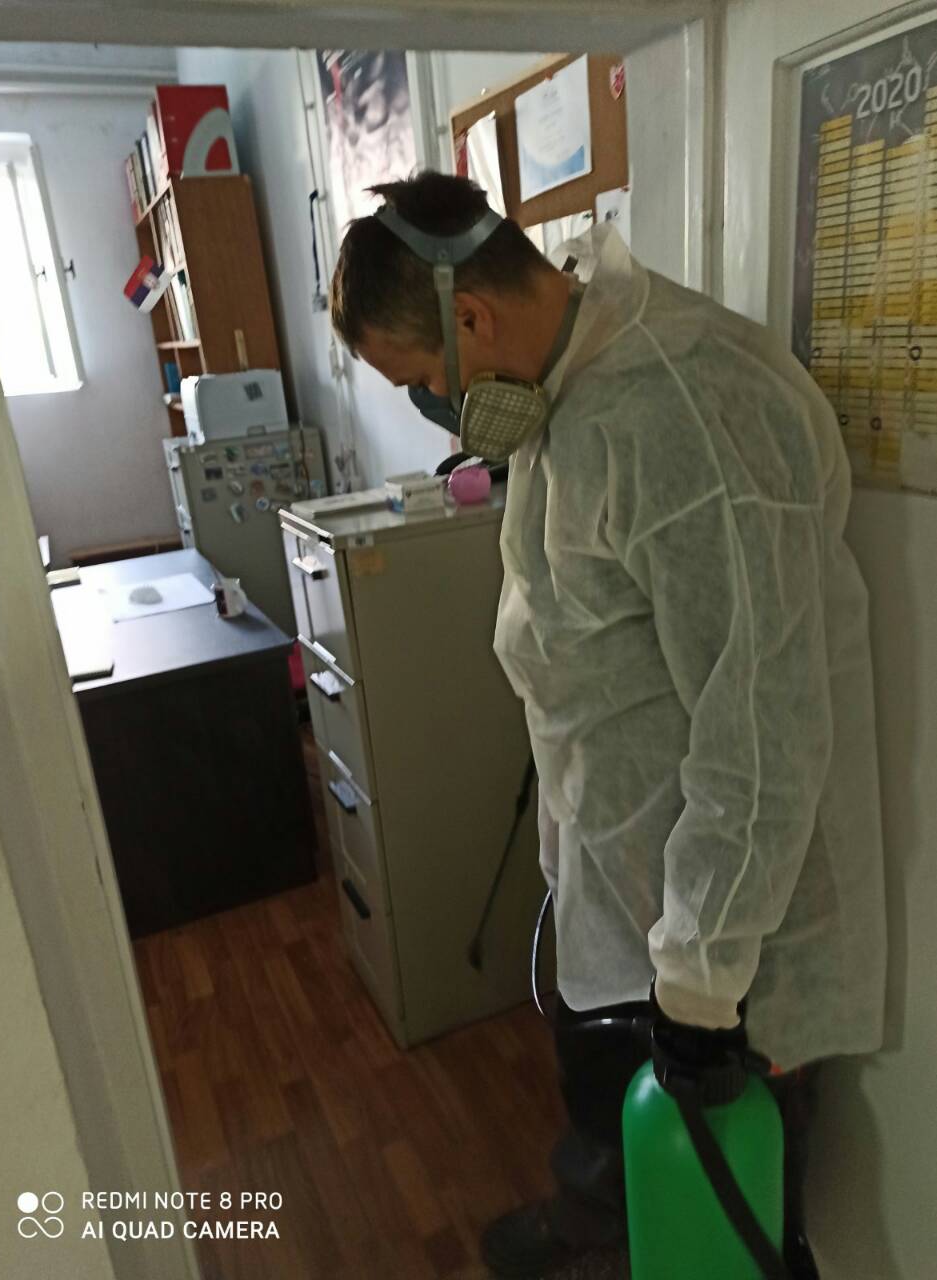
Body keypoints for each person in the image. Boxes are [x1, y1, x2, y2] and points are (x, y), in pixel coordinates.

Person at [328, 171, 887, 1279]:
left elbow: (761, 724)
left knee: (730, 1215)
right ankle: (598, 1215)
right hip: (631, 892)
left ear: (470, 317)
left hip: (729, 942)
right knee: (622, 1129)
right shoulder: (564, 386)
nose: (433, 404)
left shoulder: (684, 409)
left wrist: (703, 974)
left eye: (423, 379)